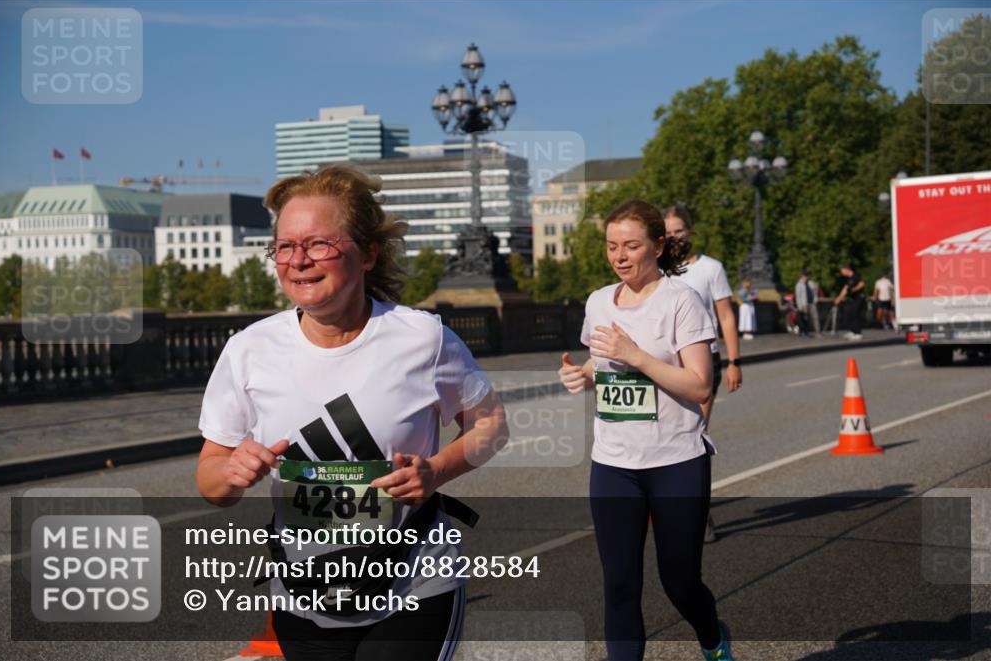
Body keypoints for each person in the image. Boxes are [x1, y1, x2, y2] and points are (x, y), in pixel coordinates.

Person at [195, 164, 508, 661]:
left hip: (413, 586)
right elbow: (210, 482)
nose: (298, 260)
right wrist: (231, 474)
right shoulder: (248, 350)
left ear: (368, 254)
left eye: (318, 243)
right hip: (302, 598)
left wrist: (437, 470)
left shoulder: (421, 338)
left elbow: (491, 422)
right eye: (285, 246)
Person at [557, 199, 734, 661]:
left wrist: (636, 355)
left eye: (631, 246)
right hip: (614, 464)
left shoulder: (681, 300)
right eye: (612, 246)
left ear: (657, 245)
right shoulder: (598, 301)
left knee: (679, 581)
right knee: (618, 584)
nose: (620, 256)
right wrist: (584, 374)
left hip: (675, 462)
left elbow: (699, 386)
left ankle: (712, 637)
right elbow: (602, 362)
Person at [662, 205, 742, 543]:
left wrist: (735, 360)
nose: (673, 236)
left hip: (702, 363)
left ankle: (700, 514)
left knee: (693, 438)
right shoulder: (659, 270)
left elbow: (725, 316)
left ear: (689, 232)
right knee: (665, 439)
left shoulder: (711, 269)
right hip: (666, 365)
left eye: (679, 229)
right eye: (666, 231)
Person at [834, 265, 866, 340]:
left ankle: (858, 333)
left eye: (842, 271)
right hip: (853, 299)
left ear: (847, 269)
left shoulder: (856, 275)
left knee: (855, 314)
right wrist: (839, 298)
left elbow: (862, 284)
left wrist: (855, 289)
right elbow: (845, 289)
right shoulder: (849, 279)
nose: (841, 273)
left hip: (859, 298)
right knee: (849, 314)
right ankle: (853, 331)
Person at [794, 270, 820, 337]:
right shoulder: (799, 284)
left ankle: (817, 332)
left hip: (812, 303)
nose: (806, 277)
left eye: (807, 276)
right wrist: (800, 306)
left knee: (815, 317)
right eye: (805, 276)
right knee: (805, 319)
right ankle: (805, 332)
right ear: (802, 276)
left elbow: (815, 291)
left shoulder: (810, 283)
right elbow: (798, 296)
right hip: (804, 304)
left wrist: (816, 299)